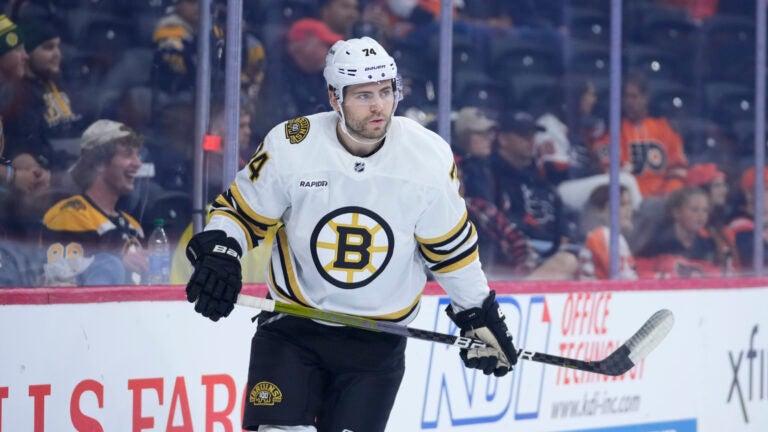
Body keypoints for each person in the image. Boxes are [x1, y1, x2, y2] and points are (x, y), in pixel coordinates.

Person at [183, 36, 519, 431]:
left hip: (376, 343)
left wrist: (478, 314)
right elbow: (239, 214)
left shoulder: (427, 156)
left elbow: (450, 252)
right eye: (363, 95)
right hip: (293, 327)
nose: (379, 105)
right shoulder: (293, 143)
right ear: (334, 97)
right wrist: (223, 252)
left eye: (385, 91)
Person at [41, 119, 148, 286]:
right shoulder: (68, 215)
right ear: (99, 163)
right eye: (128, 154)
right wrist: (116, 261)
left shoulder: (133, 226)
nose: (138, 163)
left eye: (137, 154)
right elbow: (63, 289)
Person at [2, 17, 82, 170]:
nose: (58, 54)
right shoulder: (16, 96)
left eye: (58, 47)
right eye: (48, 48)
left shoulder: (63, 84)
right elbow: (23, 148)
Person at [592, 71, 688, 198]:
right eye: (625, 97)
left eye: (634, 96)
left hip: (664, 201)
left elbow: (679, 169)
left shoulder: (664, 128)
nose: (629, 102)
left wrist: (668, 195)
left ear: (645, 98)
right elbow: (608, 170)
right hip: (628, 200)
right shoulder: (611, 130)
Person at [634, 186, 724, 278]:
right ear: (676, 212)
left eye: (705, 210)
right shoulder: (657, 243)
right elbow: (639, 272)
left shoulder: (708, 245)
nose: (701, 215)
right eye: (694, 209)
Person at [577, 184, 638, 280]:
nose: (629, 209)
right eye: (622, 204)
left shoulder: (611, 236)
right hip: (601, 292)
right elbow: (622, 280)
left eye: (629, 204)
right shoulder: (603, 235)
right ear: (604, 209)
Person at [728, 167, 768, 274]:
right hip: (748, 287)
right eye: (766, 189)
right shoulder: (741, 225)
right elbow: (757, 262)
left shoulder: (761, 224)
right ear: (749, 194)